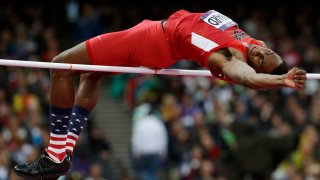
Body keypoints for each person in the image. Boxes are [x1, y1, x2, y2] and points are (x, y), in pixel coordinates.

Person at [13, 9, 307, 179]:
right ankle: (64, 155)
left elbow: (248, 77)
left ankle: (54, 155)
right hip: (158, 47)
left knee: (61, 65)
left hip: (151, 39)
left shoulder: (227, 58)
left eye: (261, 58)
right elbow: (259, 58)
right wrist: (274, 66)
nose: (260, 51)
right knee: (91, 75)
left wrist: (279, 80)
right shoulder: (251, 41)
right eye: (265, 51)